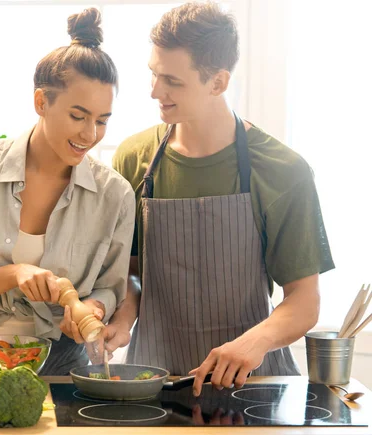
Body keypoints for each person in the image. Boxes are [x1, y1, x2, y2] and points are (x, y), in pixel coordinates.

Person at [108, 1, 334, 395]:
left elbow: (304, 300)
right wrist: (123, 319)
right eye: (153, 74)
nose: (154, 91)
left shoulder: (283, 170)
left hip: (255, 383)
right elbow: (130, 271)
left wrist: (255, 341)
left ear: (218, 82)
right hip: (153, 381)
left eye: (172, 81)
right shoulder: (134, 159)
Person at [0, 8, 135, 376]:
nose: (90, 134)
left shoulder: (114, 194)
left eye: (102, 121)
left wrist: (93, 309)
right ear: (41, 102)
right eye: (78, 116)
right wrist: (15, 272)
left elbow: (110, 288)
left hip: (66, 364)